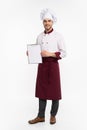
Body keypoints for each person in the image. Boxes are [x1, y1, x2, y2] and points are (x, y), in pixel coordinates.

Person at [26, 8, 66, 124]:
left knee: (55, 92)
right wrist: (30, 53)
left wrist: (50, 54)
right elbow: (37, 51)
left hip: (53, 66)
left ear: (52, 22)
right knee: (41, 91)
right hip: (42, 66)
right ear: (43, 22)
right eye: (45, 21)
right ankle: (40, 116)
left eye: (49, 21)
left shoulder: (58, 36)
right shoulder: (39, 36)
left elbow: (64, 52)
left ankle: (53, 115)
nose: (47, 23)